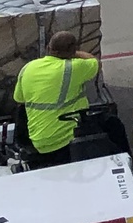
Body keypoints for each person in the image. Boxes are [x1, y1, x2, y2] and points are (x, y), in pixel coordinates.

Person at [10, 31, 103, 167]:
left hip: (36, 140)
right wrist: (75, 53)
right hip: (65, 140)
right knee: (111, 127)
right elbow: (95, 62)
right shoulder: (74, 67)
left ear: (48, 48)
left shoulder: (28, 68)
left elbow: (19, 99)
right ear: (73, 50)